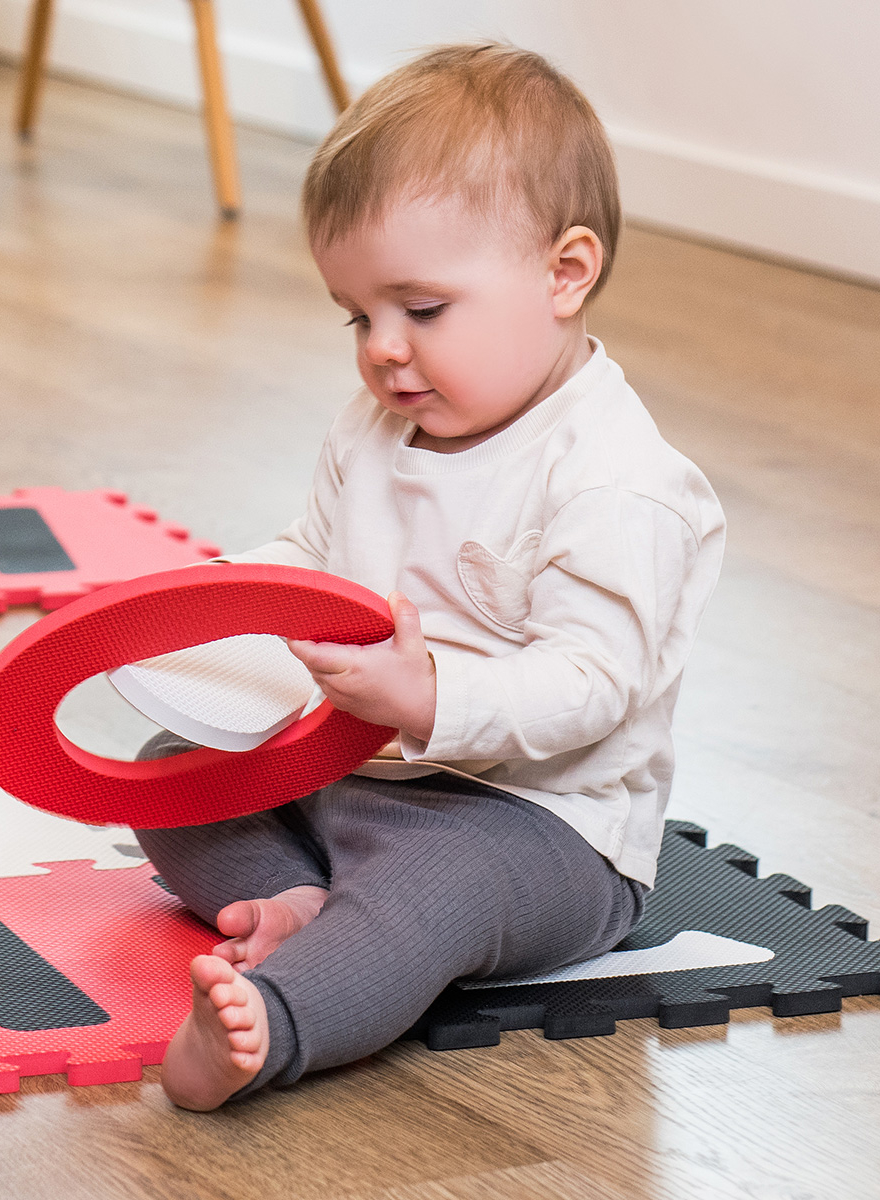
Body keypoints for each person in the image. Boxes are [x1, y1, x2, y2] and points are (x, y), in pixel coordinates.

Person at [135, 42, 726, 1111]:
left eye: (422, 309)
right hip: (354, 773)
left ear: (565, 273)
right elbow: (312, 558)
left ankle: (274, 1026)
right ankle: (301, 903)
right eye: (358, 315)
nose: (382, 350)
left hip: (531, 825)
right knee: (172, 773)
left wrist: (429, 698)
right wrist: (220, 607)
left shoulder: (618, 482)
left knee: (430, 892)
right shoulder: (376, 425)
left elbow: (594, 685)